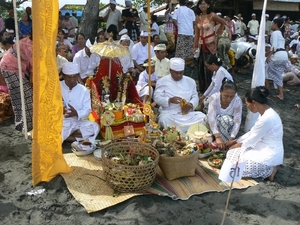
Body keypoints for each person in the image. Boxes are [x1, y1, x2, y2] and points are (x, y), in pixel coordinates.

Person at [226, 86, 283, 181]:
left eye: (247, 103)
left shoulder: (267, 118)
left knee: (237, 169)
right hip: (261, 146)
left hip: (269, 152)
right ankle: (268, 168)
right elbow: (252, 132)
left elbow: (252, 139)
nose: (247, 106)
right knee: (231, 154)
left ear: (254, 103)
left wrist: (236, 145)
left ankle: (270, 170)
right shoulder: (265, 113)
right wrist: (235, 141)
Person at [154, 57, 206, 133]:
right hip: (170, 113)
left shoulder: (190, 81)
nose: (179, 75)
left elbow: (195, 96)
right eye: (176, 73)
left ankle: (195, 136)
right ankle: (175, 137)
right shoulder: (162, 81)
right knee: (164, 120)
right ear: (170, 71)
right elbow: (157, 97)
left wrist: (190, 105)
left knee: (203, 117)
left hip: (188, 114)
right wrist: (169, 100)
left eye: (181, 72)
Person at [60, 62, 100, 142]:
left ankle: (65, 138)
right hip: (60, 122)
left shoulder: (83, 90)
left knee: (95, 127)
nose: (72, 80)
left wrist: (76, 113)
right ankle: (71, 138)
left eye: (74, 77)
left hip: (76, 122)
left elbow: (87, 110)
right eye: (69, 77)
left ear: (78, 76)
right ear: (63, 76)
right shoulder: (57, 87)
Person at [0, 36, 33, 132]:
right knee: (27, 94)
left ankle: (20, 125)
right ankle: (27, 126)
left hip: (15, 68)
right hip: (9, 67)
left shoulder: (33, 43)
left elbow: (32, 67)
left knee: (18, 97)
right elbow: (35, 65)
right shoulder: (29, 44)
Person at [194, 0, 225, 93]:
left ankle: (211, 89)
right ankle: (202, 89)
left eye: (204, 4)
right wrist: (194, 45)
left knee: (210, 67)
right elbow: (197, 33)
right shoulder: (198, 17)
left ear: (208, 5)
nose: (202, 6)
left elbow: (223, 22)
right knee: (200, 66)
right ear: (199, 6)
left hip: (210, 44)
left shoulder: (212, 15)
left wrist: (219, 31)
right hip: (201, 44)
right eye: (201, 4)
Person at [206, 79, 242, 150]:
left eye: (231, 96)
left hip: (228, 126)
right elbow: (211, 117)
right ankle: (223, 146)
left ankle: (224, 145)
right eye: (226, 96)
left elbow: (237, 121)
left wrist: (232, 138)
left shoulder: (237, 100)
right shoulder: (214, 98)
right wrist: (217, 137)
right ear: (220, 91)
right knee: (224, 119)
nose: (228, 99)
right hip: (213, 124)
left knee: (226, 120)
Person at [265, 18, 288, 100]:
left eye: (272, 23)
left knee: (265, 68)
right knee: (278, 74)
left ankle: (268, 88)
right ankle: (280, 94)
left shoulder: (275, 33)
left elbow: (274, 47)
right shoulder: (282, 33)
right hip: (284, 55)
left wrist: (268, 57)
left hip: (277, 55)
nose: (271, 25)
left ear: (276, 24)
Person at [173, 0, 195, 66]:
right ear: (186, 3)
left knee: (181, 49)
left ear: (179, 3)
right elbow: (194, 22)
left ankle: (180, 63)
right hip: (190, 32)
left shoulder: (177, 11)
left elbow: (174, 20)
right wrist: (191, 27)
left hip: (182, 31)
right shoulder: (191, 11)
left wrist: (178, 25)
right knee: (189, 48)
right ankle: (190, 63)